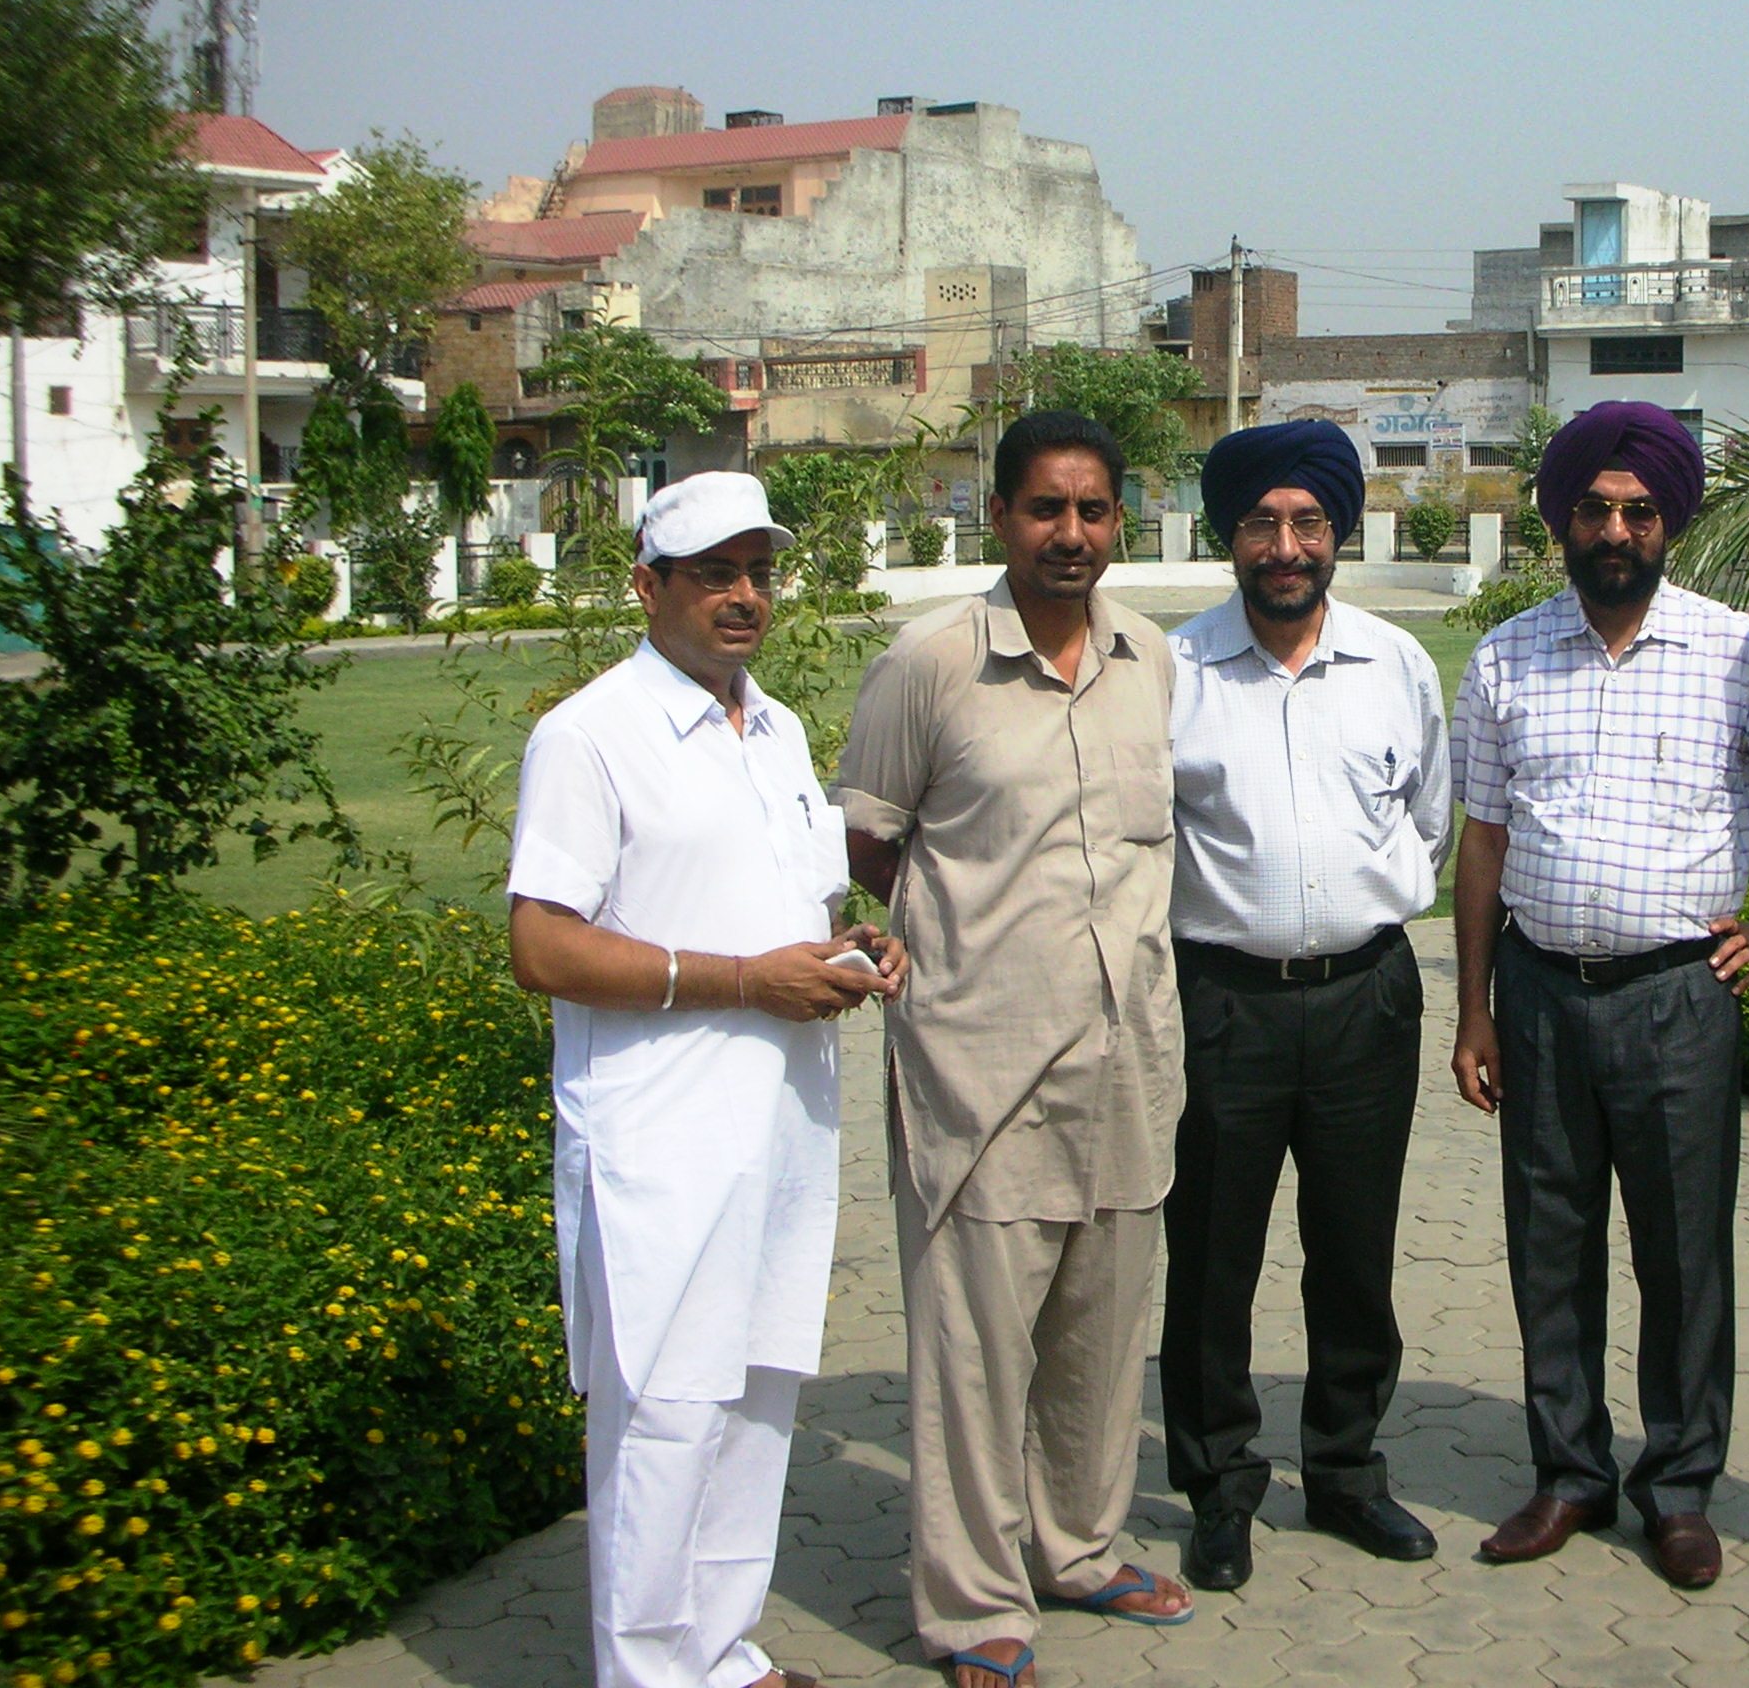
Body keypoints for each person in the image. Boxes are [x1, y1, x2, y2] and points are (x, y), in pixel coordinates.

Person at [507, 470, 909, 1688]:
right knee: (662, 1420)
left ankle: (721, 1655)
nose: (742, 597)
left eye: (757, 572)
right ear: (647, 585)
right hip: (663, 1138)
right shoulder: (588, 736)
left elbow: (789, 906)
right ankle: (647, 1673)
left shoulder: (776, 729)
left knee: (753, 1402)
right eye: (712, 573)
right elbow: (542, 944)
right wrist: (747, 979)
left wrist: (851, 948)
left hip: (779, 1126)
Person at [1448, 401, 1749, 1592]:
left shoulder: (1734, 650)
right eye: (1593, 508)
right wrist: (1471, 1011)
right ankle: (1567, 1473)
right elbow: (1479, 843)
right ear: (1562, 519)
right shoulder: (1508, 655)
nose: (1614, 528)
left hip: (1679, 998)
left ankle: (1676, 1489)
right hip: (1539, 997)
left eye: (1638, 511)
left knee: (1680, 1253)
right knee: (1548, 1245)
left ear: (1669, 522)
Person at [833, 411, 1189, 1688]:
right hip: (980, 1067)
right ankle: (973, 1605)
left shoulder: (1148, 657)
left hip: (1128, 1055)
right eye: (1046, 509)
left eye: (1094, 511)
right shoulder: (930, 668)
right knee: (977, 1355)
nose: (1072, 535)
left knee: (1098, 1337)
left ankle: (1081, 1548)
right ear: (998, 517)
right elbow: (868, 846)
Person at [1160, 421, 1452, 1591]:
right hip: (1221, 1004)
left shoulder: (1395, 663)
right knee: (1211, 1261)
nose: (1284, 546)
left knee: (1352, 1254)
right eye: (1260, 524)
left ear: (1338, 534)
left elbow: (1430, 816)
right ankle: (1220, 1487)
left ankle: (1344, 1473)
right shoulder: (1172, 672)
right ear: (1228, 536)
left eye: (1306, 524)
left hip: (1362, 1004)